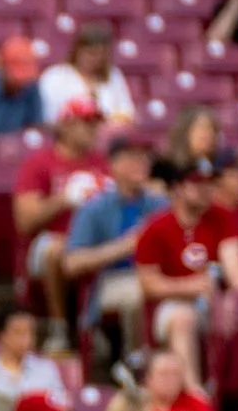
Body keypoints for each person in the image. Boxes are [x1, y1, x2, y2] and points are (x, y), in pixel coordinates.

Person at [134, 157, 238, 384]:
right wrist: (190, 287)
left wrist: (235, 296)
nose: (205, 190)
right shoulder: (156, 227)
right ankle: (193, 395)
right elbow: (148, 285)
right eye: (197, 184)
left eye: (209, 183)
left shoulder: (222, 217)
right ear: (177, 188)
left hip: (212, 302)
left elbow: (236, 270)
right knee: (182, 318)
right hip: (169, 305)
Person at [63, 132, 166, 353]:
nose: (141, 163)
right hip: (109, 280)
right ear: (114, 164)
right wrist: (125, 246)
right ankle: (136, 362)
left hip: (159, 277)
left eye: (144, 157)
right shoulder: (95, 208)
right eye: (133, 157)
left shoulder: (161, 205)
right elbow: (71, 263)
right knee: (137, 291)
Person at [12, 100, 106, 333]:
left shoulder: (102, 163)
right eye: (84, 122)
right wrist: (63, 199)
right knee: (56, 249)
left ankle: (99, 330)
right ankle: (59, 326)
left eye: (94, 123)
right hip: (50, 239)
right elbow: (24, 221)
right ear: (64, 126)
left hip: (96, 240)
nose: (91, 129)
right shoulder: (39, 163)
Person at [38, 23, 136, 129]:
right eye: (91, 53)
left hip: (108, 138)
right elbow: (46, 118)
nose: (96, 59)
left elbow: (128, 114)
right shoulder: (55, 76)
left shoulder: (114, 76)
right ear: (78, 50)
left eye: (101, 55)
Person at [0, 307, 64, 404]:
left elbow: (60, 403)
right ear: (0, 335)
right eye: (18, 332)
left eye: (30, 332)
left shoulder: (46, 368)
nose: (26, 339)